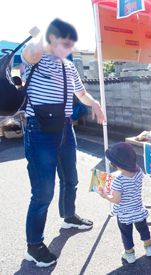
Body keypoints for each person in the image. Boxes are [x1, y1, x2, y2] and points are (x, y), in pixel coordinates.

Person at [22, 18, 105, 267]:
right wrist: (44, 35)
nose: (67, 48)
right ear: (51, 39)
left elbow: (81, 93)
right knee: (43, 192)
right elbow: (33, 50)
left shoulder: (69, 67)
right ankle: (34, 246)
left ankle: (69, 216)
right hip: (39, 130)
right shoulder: (34, 58)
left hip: (65, 129)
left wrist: (96, 103)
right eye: (63, 42)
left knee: (71, 178)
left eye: (70, 44)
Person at [101, 142, 151, 263]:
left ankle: (129, 255)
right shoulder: (139, 172)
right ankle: (149, 247)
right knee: (143, 229)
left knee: (126, 234)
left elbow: (116, 200)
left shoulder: (118, 181)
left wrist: (106, 196)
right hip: (139, 209)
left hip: (124, 214)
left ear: (117, 166)